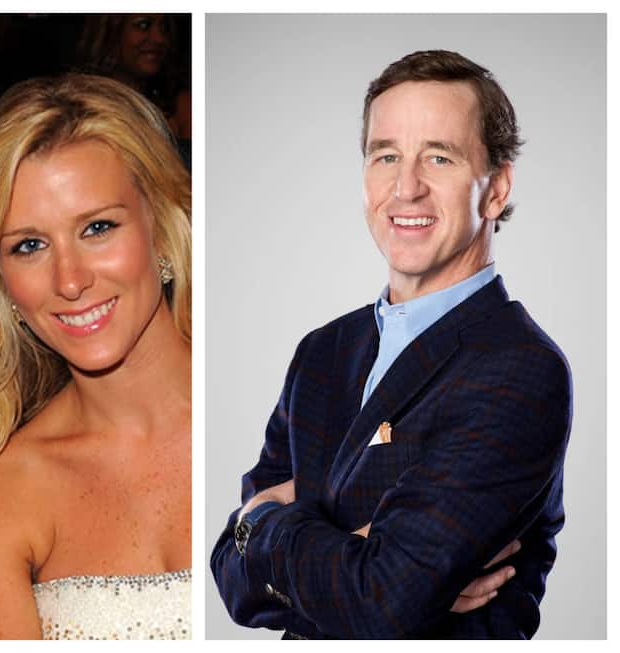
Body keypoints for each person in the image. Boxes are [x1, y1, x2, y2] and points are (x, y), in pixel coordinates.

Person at [211, 50, 572, 639]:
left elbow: (384, 601)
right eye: (386, 156)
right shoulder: (322, 352)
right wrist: (350, 550)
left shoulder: (520, 368)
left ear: (496, 189)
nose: (407, 188)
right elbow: (230, 578)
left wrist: (261, 524)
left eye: (439, 156)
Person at [0, 73, 192, 639]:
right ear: (1, 281)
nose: (69, 281)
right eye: (29, 246)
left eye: (97, 228)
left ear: (162, 230)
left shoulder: (281, 405)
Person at [77, 14, 191, 141]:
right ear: (111, 32)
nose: (160, 38)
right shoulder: (80, 106)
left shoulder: (181, 106)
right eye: (143, 25)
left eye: (164, 28)